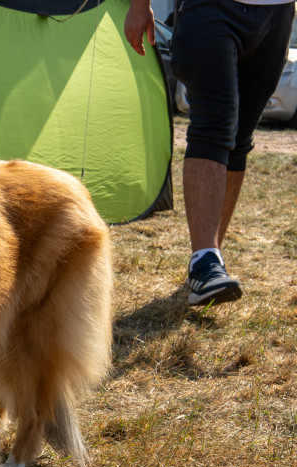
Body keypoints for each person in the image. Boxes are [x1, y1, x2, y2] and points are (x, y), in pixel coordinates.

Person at [126, 0, 295, 306]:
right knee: (214, 126)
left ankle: (211, 259)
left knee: (239, 138)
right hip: (209, 7)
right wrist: (140, 6)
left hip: (278, 11)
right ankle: (204, 260)